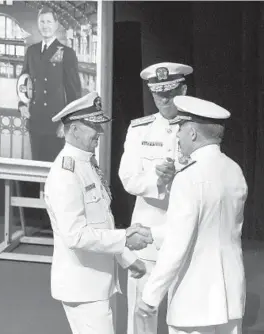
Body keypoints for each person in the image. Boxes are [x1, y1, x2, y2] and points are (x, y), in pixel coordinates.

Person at [44, 91, 154, 334]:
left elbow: (102, 223)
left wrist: (125, 257)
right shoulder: (66, 174)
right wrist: (125, 237)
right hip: (83, 287)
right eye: (94, 126)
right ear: (73, 130)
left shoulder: (87, 164)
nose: (101, 133)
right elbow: (76, 236)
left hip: (96, 283)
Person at [137, 96, 248, 334]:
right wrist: (152, 233)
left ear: (193, 134)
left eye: (180, 129)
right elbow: (210, 226)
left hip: (194, 301)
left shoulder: (188, 177)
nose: (177, 136)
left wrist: (150, 296)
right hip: (229, 299)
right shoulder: (235, 170)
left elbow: (178, 244)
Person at [118, 62, 193, 334]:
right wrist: (157, 181)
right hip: (147, 233)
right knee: (141, 315)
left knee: (183, 315)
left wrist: (179, 176)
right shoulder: (141, 129)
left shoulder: (198, 128)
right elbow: (127, 177)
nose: (164, 99)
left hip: (183, 232)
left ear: (183, 89)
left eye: (170, 92)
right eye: (157, 94)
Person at [18, 6, 81, 162]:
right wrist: (21, 104)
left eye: (48, 22)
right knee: (36, 167)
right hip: (35, 122)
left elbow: (74, 93)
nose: (45, 25)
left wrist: (66, 123)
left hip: (56, 125)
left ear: (56, 24)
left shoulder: (66, 53)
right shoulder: (31, 51)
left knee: (55, 173)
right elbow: (23, 81)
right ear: (38, 24)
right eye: (42, 22)